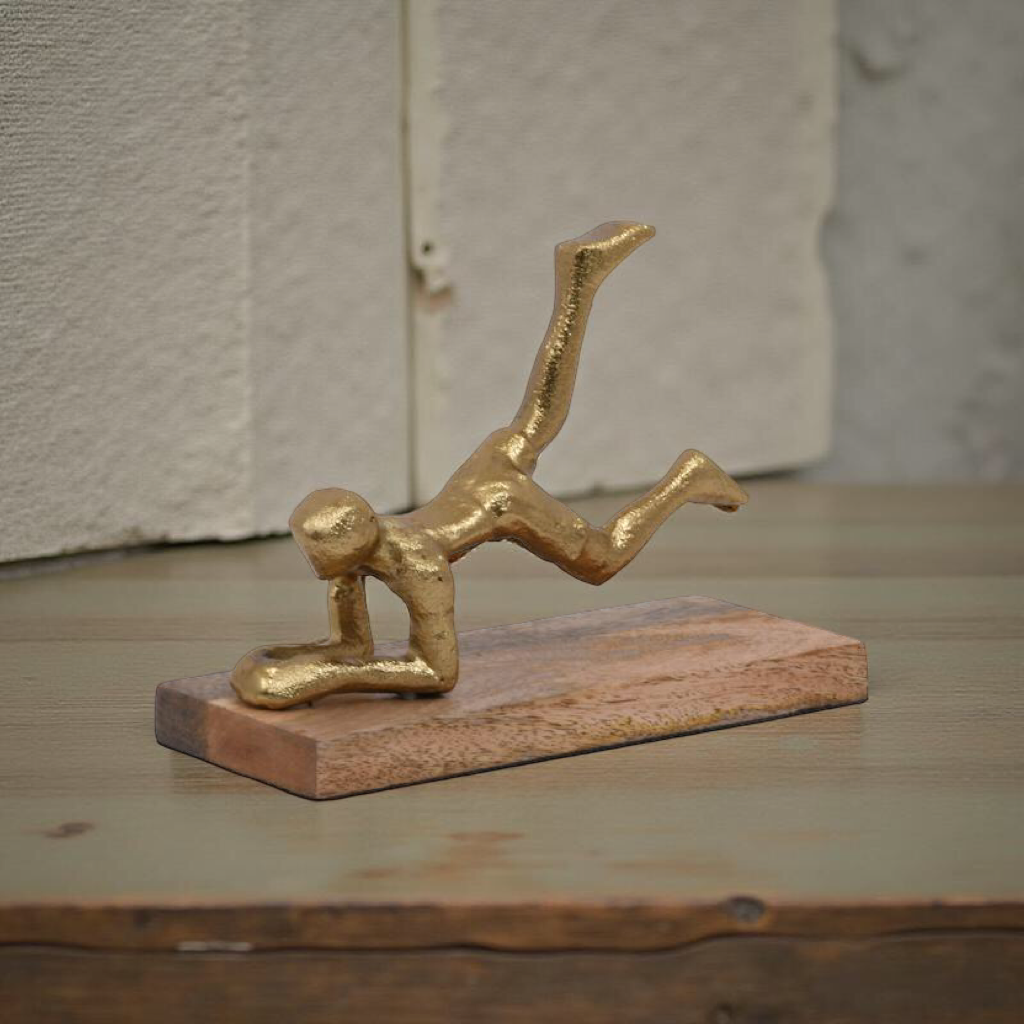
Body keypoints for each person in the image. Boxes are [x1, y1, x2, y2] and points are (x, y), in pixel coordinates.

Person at [231, 221, 747, 709]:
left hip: (503, 501)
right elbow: (351, 647)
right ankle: (579, 281)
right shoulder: (356, 553)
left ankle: (686, 481)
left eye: (319, 556)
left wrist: (335, 679)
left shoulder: (419, 566)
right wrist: (303, 664)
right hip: (476, 481)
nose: (315, 567)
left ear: (349, 544)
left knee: (601, 560)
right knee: (540, 411)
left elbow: (437, 673)